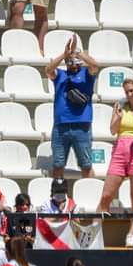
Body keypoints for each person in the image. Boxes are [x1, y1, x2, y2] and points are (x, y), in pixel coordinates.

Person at [46, 36, 99, 179]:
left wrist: (78, 52)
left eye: (76, 62)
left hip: (82, 125)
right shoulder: (60, 75)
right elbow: (48, 70)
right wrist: (65, 54)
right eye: (70, 62)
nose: (74, 65)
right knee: (58, 164)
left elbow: (94, 66)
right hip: (60, 126)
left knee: (86, 164)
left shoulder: (86, 75)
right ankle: (57, 196)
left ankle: (89, 192)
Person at [98, 78, 133, 223]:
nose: (129, 94)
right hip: (120, 149)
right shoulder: (120, 107)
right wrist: (118, 118)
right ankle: (95, 231)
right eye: (126, 92)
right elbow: (113, 130)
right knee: (106, 195)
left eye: (131, 90)